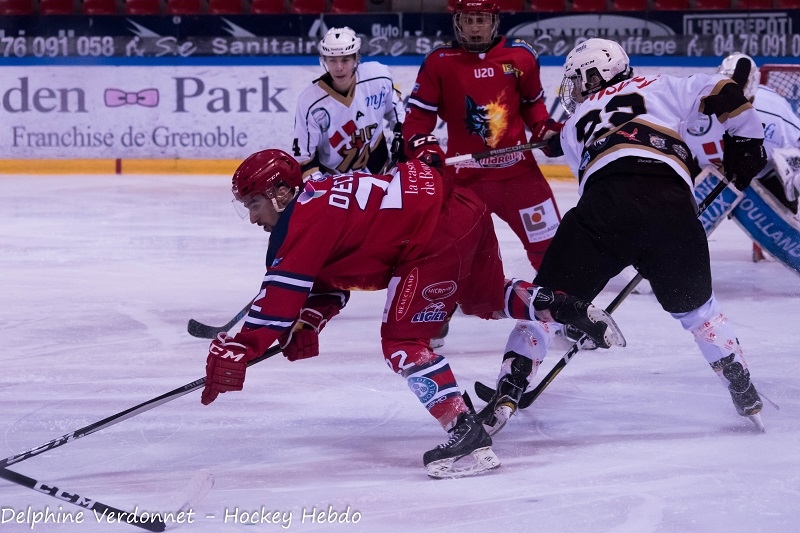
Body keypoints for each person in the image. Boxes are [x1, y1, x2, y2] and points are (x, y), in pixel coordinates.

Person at [200, 149, 625, 478]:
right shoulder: (316, 200)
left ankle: (465, 433)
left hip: (432, 239)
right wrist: (312, 318)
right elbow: (332, 277)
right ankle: (566, 306)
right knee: (488, 298)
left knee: (403, 342)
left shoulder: (302, 222)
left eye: (254, 204)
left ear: (279, 193)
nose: (252, 216)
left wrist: (241, 346)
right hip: (464, 208)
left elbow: (277, 301)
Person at [531, 38, 768, 429]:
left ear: (594, 74)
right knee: (699, 311)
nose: (572, 89)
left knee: (548, 301)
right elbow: (725, 90)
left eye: (576, 80)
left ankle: (513, 382)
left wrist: (562, 139)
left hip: (605, 205)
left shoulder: (574, 125)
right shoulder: (659, 84)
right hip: (671, 205)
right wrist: (748, 141)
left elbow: (593, 177)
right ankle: (742, 386)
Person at [402, 0, 565, 432]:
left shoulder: (521, 57)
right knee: (448, 255)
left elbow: (533, 106)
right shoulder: (440, 62)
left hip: (519, 177)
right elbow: (417, 118)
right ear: (457, 22)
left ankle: (567, 309)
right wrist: (422, 146)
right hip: (467, 178)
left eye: (483, 19)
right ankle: (432, 317)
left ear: (495, 22)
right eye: (469, 19)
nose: (476, 27)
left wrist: (545, 132)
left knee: (554, 250)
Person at [684, 53, 800, 260]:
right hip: (712, 173)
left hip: (763, 176)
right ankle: (658, 254)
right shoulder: (697, 107)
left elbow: (795, 150)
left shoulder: (774, 109)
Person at [291, 27, 405, 182]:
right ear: (324, 61)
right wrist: (320, 190)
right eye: (332, 60)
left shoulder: (378, 78)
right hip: (334, 183)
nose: (339, 67)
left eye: (345, 59)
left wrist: (401, 134)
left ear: (356, 58)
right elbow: (304, 158)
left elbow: (396, 110)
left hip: (379, 171)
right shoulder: (310, 102)